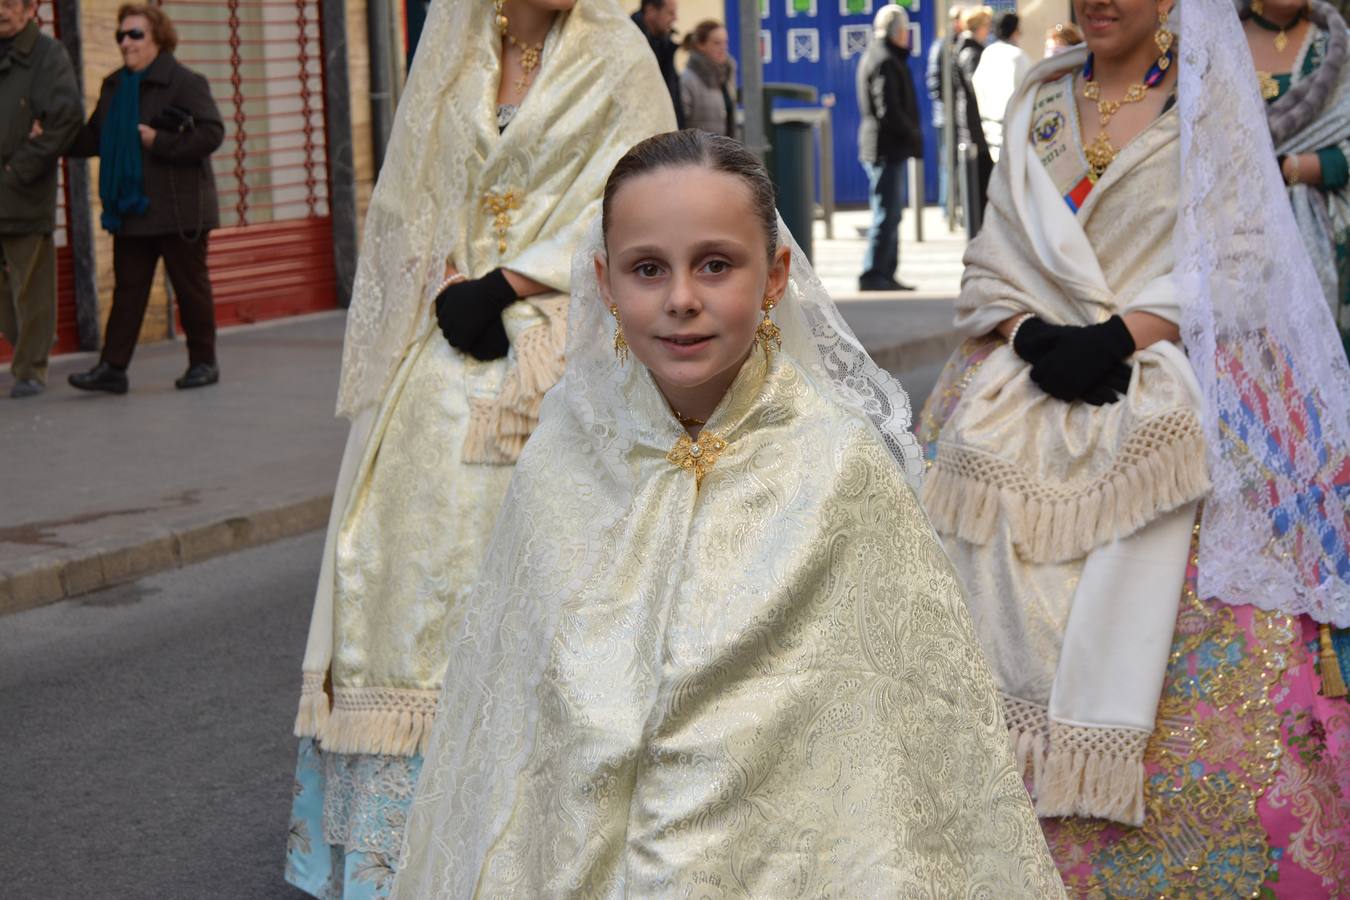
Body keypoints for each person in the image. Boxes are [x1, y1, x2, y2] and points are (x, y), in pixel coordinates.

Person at [391, 128, 1065, 899]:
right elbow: (507, 719)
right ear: (606, 285)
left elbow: (907, 729)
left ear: (775, 275)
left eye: (716, 265)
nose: (682, 299)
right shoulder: (558, 463)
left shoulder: (837, 464)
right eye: (649, 270)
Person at [918, 0, 1350, 892]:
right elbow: (994, 249)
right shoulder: (1036, 97)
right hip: (1017, 370)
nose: (1096, 0)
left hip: (1167, 373)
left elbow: (1240, 258)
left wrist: (1119, 337)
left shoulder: (1205, 98)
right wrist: (1034, 336)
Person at [282, 0, 674, 895]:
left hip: (568, 350)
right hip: (448, 357)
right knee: (401, 577)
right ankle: (411, 855)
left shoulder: (621, 54)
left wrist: (516, 278)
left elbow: (646, 200)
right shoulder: (454, 49)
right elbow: (416, 199)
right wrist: (448, 286)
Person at [63, 4, 222, 396]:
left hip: (180, 207)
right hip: (132, 208)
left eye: (135, 34)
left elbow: (211, 133)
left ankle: (203, 362)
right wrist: (53, 136)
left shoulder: (185, 82)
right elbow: (95, 137)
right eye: (121, 35)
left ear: (158, 38)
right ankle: (112, 368)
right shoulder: (115, 85)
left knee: (190, 288)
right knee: (128, 290)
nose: (125, 43)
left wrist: (160, 142)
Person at [1243, 0, 1350, 356]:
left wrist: (1288, 167)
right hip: (1233, 239)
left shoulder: (1337, 49)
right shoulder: (1216, 45)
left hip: (1321, 242)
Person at [0, 0, 80, 399]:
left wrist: (20, 169)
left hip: (23, 189)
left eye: (9, 3)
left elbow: (65, 118)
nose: (0, 11)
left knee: (31, 285)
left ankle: (31, 367)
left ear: (31, 8)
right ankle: (28, 349)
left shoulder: (48, 55)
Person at [856, 5, 922, 292]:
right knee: (886, 213)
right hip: (885, 148)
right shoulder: (884, 60)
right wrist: (911, 132)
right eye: (905, 30)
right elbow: (888, 109)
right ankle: (874, 273)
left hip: (884, 146)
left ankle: (886, 273)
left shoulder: (880, 55)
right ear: (898, 31)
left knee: (891, 213)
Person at [954, 6, 994, 234]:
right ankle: (978, 230)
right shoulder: (971, 53)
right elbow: (976, 87)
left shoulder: (969, 49)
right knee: (979, 181)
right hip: (974, 127)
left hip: (972, 124)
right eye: (987, 26)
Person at [973, 12, 1033, 161]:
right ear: (1014, 31)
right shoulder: (1018, 56)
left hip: (989, 126)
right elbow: (1030, 88)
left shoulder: (988, 52)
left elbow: (976, 83)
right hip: (1014, 129)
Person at [927, 4, 967, 208]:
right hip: (947, 116)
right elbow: (935, 82)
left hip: (959, 115)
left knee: (960, 162)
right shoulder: (942, 46)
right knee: (949, 163)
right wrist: (950, 105)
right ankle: (948, 206)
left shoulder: (962, 44)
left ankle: (957, 204)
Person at [679, 19, 736, 137]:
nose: (723, 48)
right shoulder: (688, 79)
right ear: (701, 45)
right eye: (716, 43)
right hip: (699, 152)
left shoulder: (726, 74)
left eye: (725, 42)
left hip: (725, 151)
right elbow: (680, 124)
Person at [634, 0, 685, 129]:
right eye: (670, 13)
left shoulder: (665, 45)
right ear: (651, 11)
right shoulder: (631, 45)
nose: (675, 18)